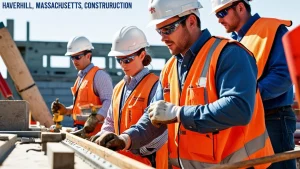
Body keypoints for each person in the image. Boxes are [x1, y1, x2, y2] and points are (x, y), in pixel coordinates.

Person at [95, 0, 274, 168]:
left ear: (191, 21)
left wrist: (178, 113)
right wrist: (126, 139)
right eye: (159, 32)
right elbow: (154, 117)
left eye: (168, 29)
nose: (163, 38)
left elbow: (238, 109)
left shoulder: (229, 54)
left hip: (238, 165)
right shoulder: (170, 68)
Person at [210, 0, 296, 168]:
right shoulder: (235, 42)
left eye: (222, 13)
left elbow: (284, 74)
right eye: (216, 16)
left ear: (240, 7)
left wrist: (247, 96)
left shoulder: (272, 30)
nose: (219, 20)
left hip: (273, 119)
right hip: (249, 120)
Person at [91, 26, 168, 168]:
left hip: (146, 164)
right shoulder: (119, 88)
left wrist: (133, 147)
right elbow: (110, 121)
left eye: (127, 60)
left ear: (142, 55)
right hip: (118, 162)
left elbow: (162, 133)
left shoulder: (156, 86)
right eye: (119, 60)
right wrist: (104, 136)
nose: (122, 65)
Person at [51, 36, 113, 137]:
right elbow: (82, 108)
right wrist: (66, 110)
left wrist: (96, 118)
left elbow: (110, 102)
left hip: (96, 136)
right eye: (72, 57)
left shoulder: (99, 76)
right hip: (82, 133)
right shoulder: (81, 78)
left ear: (88, 56)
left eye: (77, 57)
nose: (74, 61)